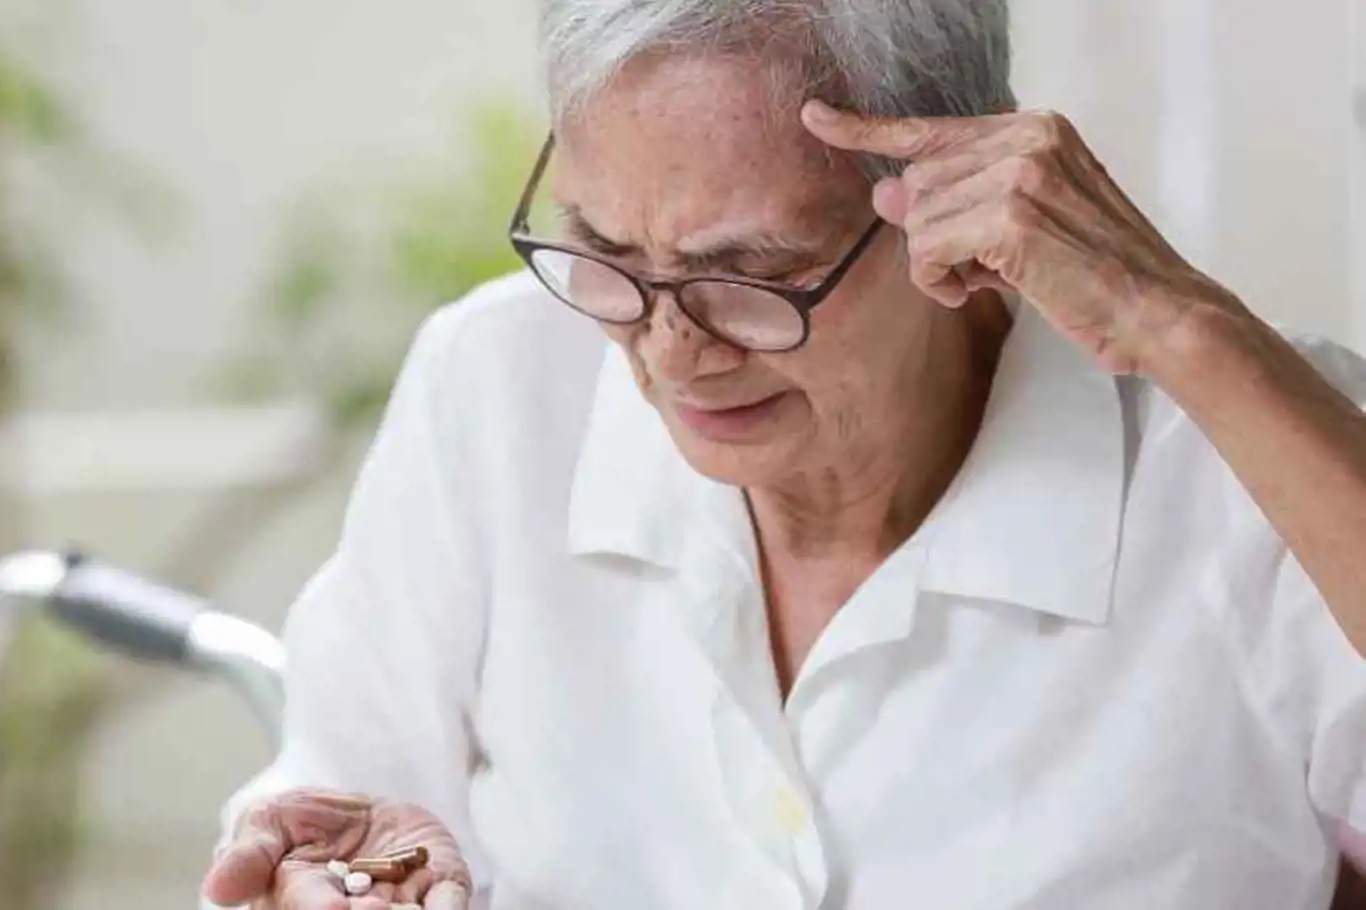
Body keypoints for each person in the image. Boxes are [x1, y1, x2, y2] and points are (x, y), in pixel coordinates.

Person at [201, 2, 1366, 908]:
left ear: (962, 194)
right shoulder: (497, 386)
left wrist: (1183, 327)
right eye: (604, 250)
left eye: (749, 274)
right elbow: (348, 793)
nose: (670, 350)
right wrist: (329, 871)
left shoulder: (1245, 451)